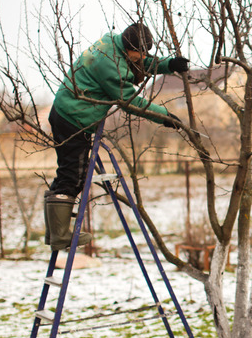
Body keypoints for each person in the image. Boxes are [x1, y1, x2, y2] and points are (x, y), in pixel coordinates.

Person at [44, 22, 189, 250]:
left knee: (68, 171)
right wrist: (164, 116)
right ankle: (60, 235)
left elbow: (137, 63)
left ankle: (53, 233)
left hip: (67, 111)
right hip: (74, 118)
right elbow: (130, 101)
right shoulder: (110, 66)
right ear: (129, 46)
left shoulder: (113, 43)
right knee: (72, 175)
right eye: (139, 52)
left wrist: (168, 64)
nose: (142, 57)